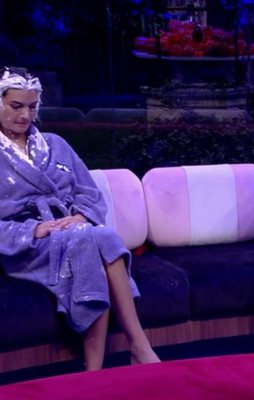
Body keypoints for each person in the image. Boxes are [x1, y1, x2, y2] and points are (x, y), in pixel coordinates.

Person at [0, 67, 160, 369]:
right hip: (26, 247)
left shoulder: (55, 144)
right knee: (89, 241)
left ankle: (133, 347)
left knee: (98, 236)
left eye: (32, 107)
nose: (24, 115)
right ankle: (117, 357)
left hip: (71, 232)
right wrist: (32, 230)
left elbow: (89, 192)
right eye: (16, 106)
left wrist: (82, 215)